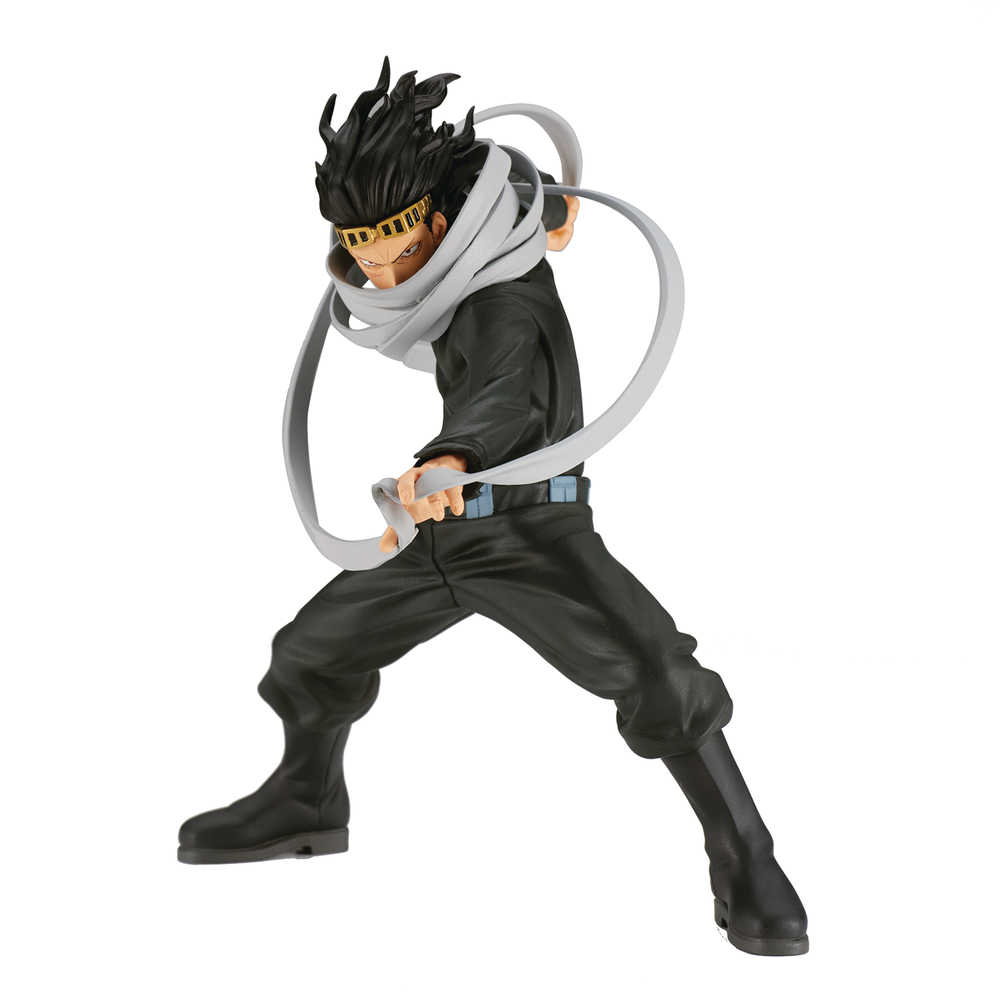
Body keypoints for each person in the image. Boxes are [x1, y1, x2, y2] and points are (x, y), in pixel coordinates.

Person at [178, 60, 809, 958]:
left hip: (531, 528)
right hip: (446, 532)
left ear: (442, 226)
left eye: (393, 248)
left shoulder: (507, 296)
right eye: (360, 253)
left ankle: (746, 856)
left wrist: (451, 457)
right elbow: (514, 209)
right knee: (311, 651)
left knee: (656, 672)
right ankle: (307, 799)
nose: (376, 271)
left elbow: (504, 393)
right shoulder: (468, 262)